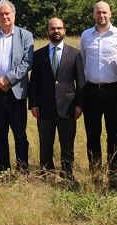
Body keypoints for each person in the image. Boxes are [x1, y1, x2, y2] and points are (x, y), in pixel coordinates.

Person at [0, 0, 34, 175]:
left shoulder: (25, 35)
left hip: (16, 92)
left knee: (20, 135)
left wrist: (8, 79)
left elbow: (27, 62)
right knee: (0, 135)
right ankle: (2, 171)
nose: (4, 17)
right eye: (1, 14)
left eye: (7, 13)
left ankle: (22, 170)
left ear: (14, 15)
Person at [79, 1, 117, 187]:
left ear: (111, 14)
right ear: (93, 15)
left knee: (114, 134)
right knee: (92, 134)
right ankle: (96, 173)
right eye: (98, 13)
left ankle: (114, 173)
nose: (101, 16)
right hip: (92, 91)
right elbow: (83, 62)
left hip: (115, 91)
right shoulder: (86, 36)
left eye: (104, 12)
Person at [28, 18, 85, 182]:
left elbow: (80, 82)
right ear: (47, 32)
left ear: (64, 31)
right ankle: (46, 173)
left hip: (68, 107)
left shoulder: (75, 54)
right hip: (44, 108)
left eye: (59, 28)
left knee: (67, 145)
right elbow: (34, 83)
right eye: (52, 29)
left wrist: (80, 105)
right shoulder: (38, 55)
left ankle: (67, 174)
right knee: (45, 144)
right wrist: (33, 104)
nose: (56, 31)